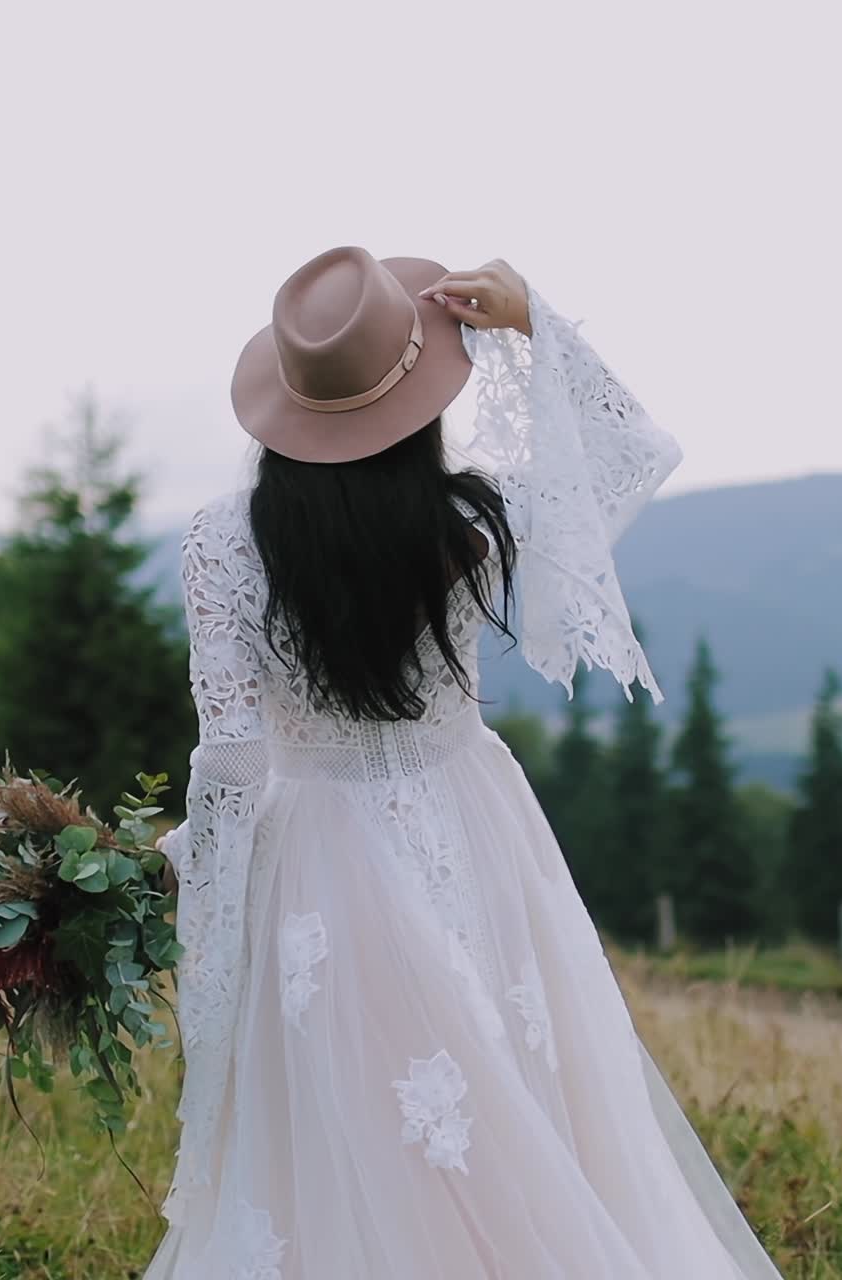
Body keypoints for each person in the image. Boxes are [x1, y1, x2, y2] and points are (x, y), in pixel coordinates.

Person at [144, 247, 783, 1279]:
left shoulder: (221, 539)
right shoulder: (470, 521)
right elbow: (634, 454)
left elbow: (230, 754)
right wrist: (533, 321)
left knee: (352, 1106)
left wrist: (191, 863)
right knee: (502, 1092)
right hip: (472, 825)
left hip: (313, 855)